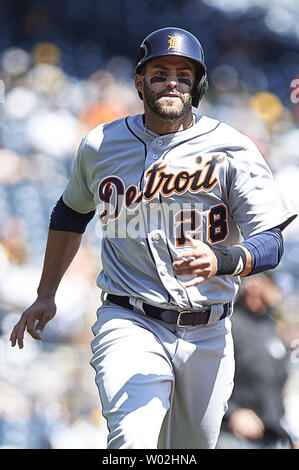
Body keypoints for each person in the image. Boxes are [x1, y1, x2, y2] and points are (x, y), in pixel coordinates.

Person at [10, 27, 297, 449]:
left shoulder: (232, 147)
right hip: (130, 318)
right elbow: (69, 215)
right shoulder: (100, 145)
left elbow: (271, 242)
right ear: (140, 82)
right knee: (133, 442)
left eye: (184, 74)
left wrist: (223, 260)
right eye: (160, 72)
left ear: (198, 85)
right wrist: (46, 293)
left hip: (209, 330)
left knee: (189, 450)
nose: (172, 83)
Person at [216, 274, 299, 449]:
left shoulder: (271, 327)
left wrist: (290, 434)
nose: (279, 289)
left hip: (273, 438)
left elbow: (275, 390)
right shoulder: (227, 324)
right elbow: (204, 380)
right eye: (273, 283)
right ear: (254, 285)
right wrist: (232, 413)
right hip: (233, 437)